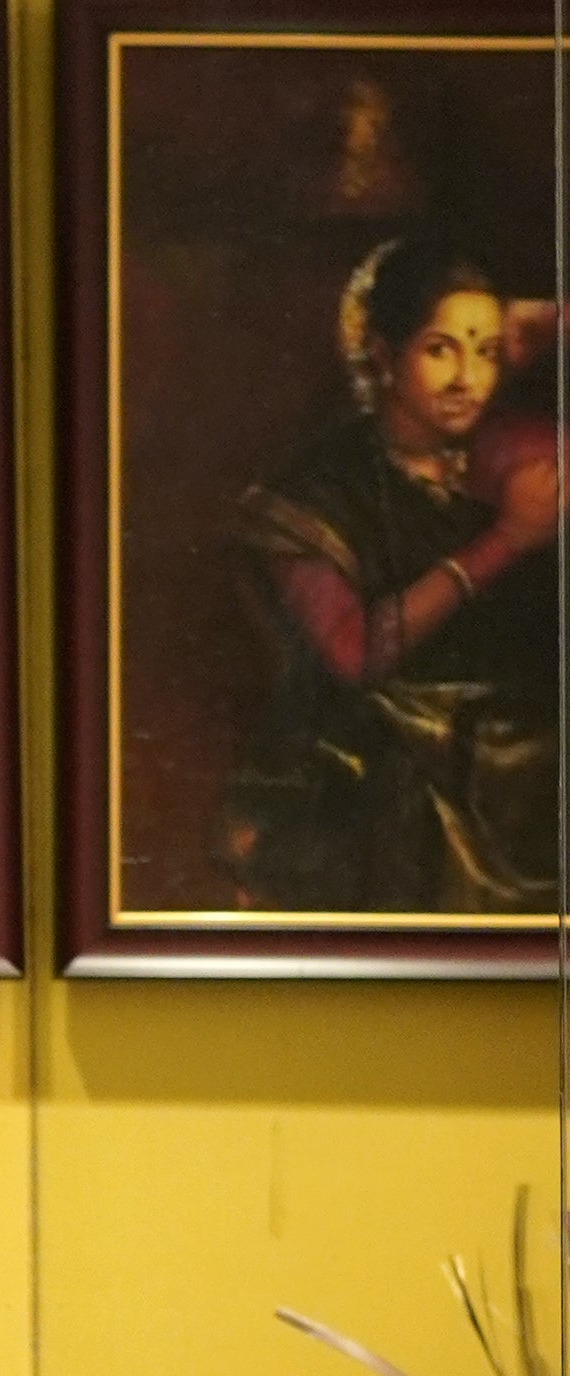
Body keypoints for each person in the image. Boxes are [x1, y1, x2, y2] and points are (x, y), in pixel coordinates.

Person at [219, 230, 561, 912]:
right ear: (383, 354)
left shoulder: (505, 449)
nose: (468, 380)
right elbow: (355, 653)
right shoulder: (313, 493)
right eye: (441, 350)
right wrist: (504, 541)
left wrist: (550, 320)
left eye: (487, 352)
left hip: (517, 746)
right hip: (397, 759)